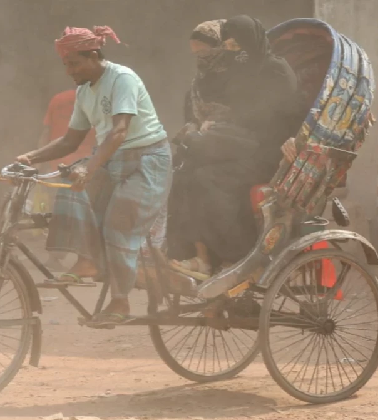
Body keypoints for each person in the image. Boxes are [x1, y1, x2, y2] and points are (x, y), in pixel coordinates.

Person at [16, 26, 171, 327]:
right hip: (111, 158)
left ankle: (120, 302)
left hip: (147, 160)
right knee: (68, 186)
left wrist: (88, 169)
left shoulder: (122, 78)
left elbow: (119, 131)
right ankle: (87, 260)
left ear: (94, 55)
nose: (69, 71)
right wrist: (29, 157)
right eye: (66, 65)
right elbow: (70, 141)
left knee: (117, 223)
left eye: (74, 64)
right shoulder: (84, 91)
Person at [167, 15, 301, 279]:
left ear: (251, 41)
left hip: (270, 153)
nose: (234, 53)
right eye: (228, 47)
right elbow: (237, 115)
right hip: (244, 145)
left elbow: (294, 113)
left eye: (237, 46)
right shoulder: (240, 73)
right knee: (187, 170)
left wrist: (294, 139)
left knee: (210, 179)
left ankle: (237, 257)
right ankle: (200, 257)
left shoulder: (276, 70)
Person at [29, 89, 97, 261]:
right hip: (85, 168)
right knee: (85, 214)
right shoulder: (96, 102)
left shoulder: (58, 99)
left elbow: (45, 134)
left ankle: (56, 256)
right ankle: (85, 260)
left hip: (58, 166)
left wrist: (39, 161)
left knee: (58, 213)